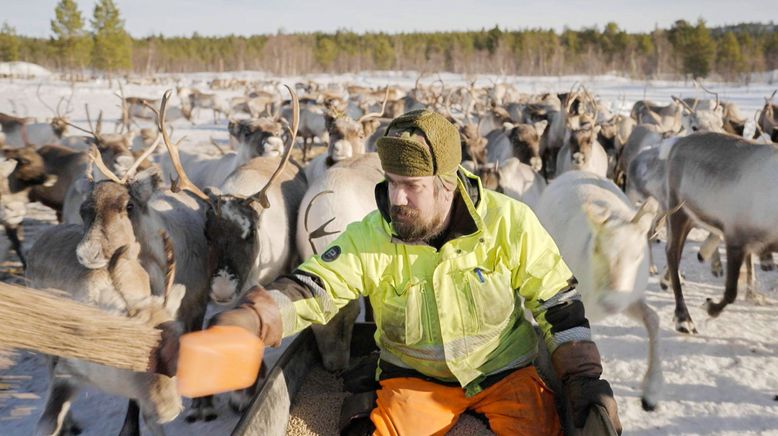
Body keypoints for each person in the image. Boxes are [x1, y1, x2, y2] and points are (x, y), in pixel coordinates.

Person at [163, 109, 622, 435]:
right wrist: (251, 320)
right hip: (413, 381)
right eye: (392, 183)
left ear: (448, 184)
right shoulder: (373, 233)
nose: (396, 198)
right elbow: (313, 286)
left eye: (411, 187)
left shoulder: (510, 223)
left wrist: (581, 377)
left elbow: (558, 303)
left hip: (506, 375)